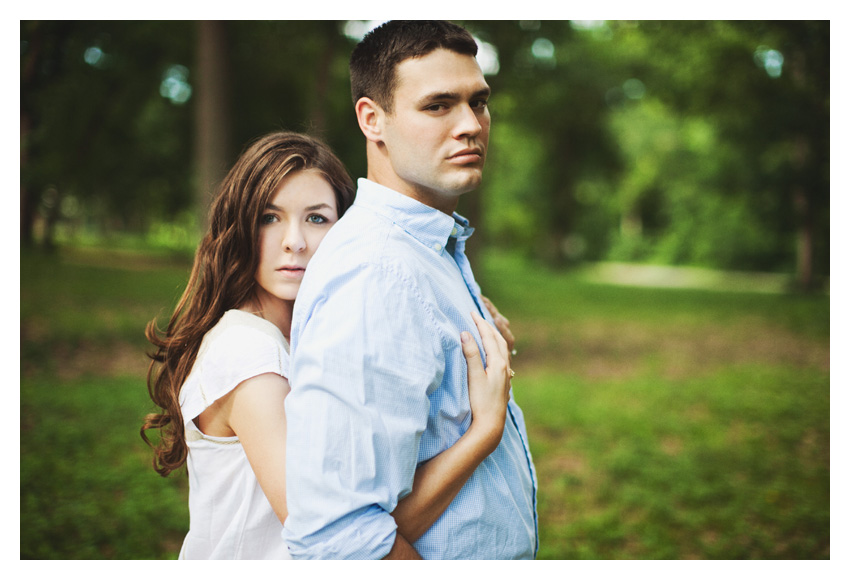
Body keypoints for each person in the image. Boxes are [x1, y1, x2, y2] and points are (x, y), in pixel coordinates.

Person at [140, 131, 515, 559]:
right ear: (239, 227)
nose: (294, 241)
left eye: (316, 218)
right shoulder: (248, 352)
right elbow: (337, 541)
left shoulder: (306, 335)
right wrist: (483, 433)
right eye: (269, 217)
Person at [283, 21, 538, 560]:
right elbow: (338, 539)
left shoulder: (427, 252)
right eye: (438, 105)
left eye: (479, 102)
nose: (471, 125)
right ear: (372, 120)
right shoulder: (376, 276)